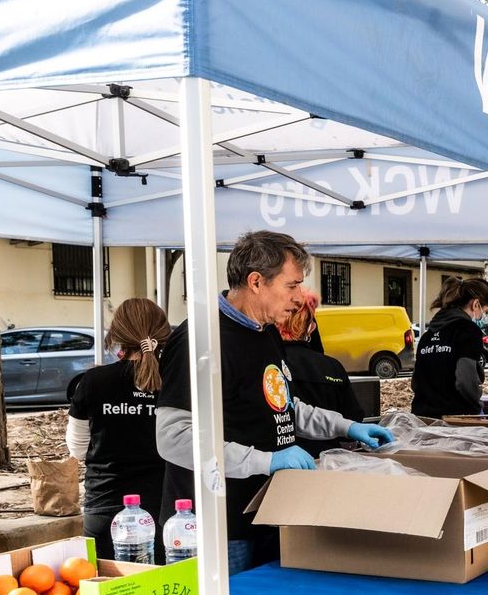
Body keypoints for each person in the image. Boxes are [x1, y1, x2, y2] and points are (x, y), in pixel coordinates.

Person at [156, 231, 394, 574]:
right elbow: (173, 438)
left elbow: (283, 405)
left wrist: (347, 426)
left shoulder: (265, 331)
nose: (299, 298)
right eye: (291, 286)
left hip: (270, 512)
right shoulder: (201, 339)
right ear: (256, 282)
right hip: (221, 526)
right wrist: (266, 460)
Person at [67, 298, 173, 559]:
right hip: (167, 513)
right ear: (163, 333)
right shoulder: (178, 382)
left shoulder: (93, 381)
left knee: (111, 593)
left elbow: (78, 450)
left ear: (116, 334)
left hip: (105, 508)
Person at [276, 291, 365, 460]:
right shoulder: (332, 367)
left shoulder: (269, 363)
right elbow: (353, 417)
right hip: (327, 461)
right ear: (311, 327)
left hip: (278, 465)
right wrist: (349, 428)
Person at [411, 276, 488, 419]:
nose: (485, 317)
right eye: (486, 311)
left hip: (422, 415)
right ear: (476, 304)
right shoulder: (469, 330)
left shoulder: (427, 335)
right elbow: (465, 380)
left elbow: (416, 382)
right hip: (456, 417)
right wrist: (476, 406)